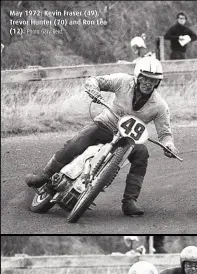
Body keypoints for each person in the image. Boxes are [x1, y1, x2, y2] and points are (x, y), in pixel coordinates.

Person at [25, 55, 179, 216]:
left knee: (142, 153)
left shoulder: (160, 105)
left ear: (158, 82)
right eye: (145, 78)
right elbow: (95, 80)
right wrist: (94, 90)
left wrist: (169, 145)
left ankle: (129, 201)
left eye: (153, 80)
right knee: (80, 139)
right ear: (138, 76)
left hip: (128, 140)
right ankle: (44, 176)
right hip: (105, 125)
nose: (148, 83)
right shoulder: (122, 81)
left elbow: (165, 133)